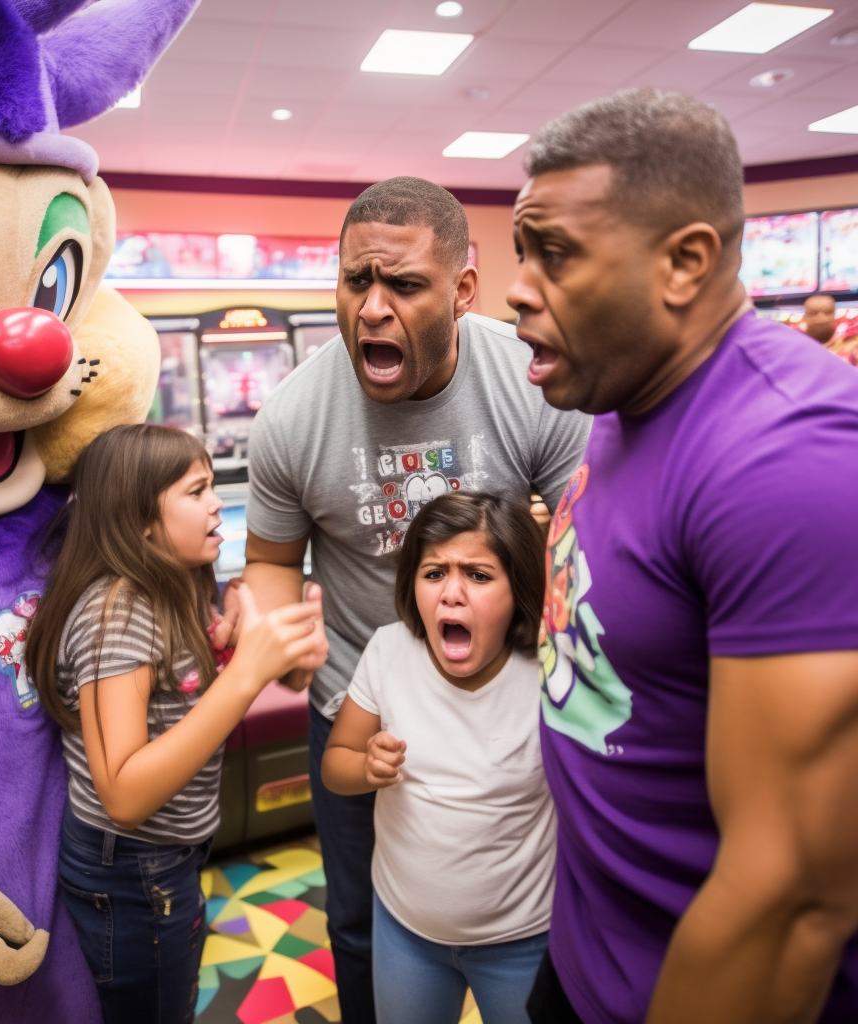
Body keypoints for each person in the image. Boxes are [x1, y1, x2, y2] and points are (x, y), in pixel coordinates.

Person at [507, 88, 858, 1024]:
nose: (517, 286)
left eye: (556, 253)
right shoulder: (622, 395)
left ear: (685, 263)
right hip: (587, 956)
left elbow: (790, 899)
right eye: (520, 251)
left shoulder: (789, 457)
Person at [242, 176, 591, 1023]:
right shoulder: (293, 417)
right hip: (366, 706)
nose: (372, 308)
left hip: (513, 700)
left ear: (463, 290)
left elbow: (582, 561)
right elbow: (270, 561)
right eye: (357, 281)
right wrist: (278, 635)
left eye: (403, 284)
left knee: (549, 919)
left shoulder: (536, 387)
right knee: (360, 923)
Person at [24, 424, 327, 1024]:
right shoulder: (116, 614)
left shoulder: (173, 585)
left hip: (168, 855)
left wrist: (223, 648)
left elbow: (170, 696)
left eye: (212, 486)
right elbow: (125, 794)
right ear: (140, 521)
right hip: (134, 866)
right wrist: (244, 673)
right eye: (197, 491)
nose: (217, 502)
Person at [322, 492, 554, 1024]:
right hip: (406, 935)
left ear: (518, 589)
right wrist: (365, 768)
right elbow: (336, 762)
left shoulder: (547, 669)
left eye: (477, 575)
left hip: (523, 943)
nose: (451, 594)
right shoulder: (388, 651)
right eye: (433, 574)